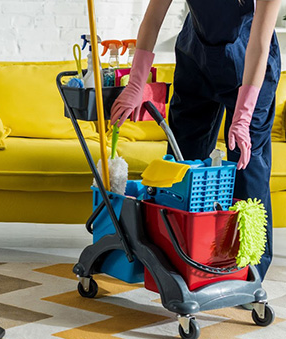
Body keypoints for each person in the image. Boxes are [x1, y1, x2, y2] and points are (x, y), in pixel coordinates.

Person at [111, 0, 280, 281]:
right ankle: (182, 257)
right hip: (196, 61)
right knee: (181, 164)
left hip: (250, 69)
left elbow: (259, 44)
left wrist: (243, 115)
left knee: (246, 169)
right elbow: (153, 18)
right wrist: (136, 83)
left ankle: (249, 272)